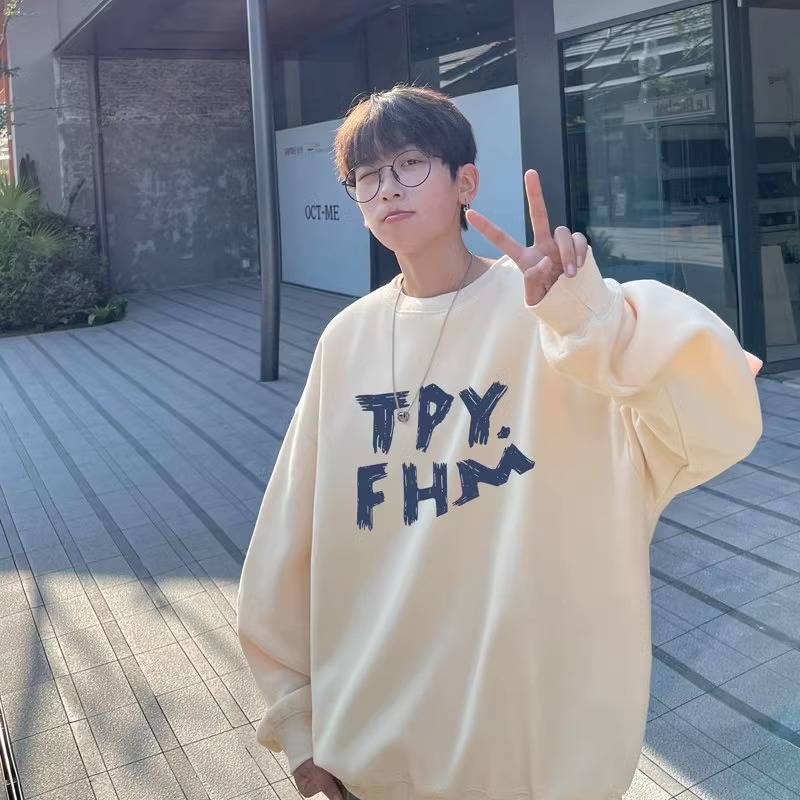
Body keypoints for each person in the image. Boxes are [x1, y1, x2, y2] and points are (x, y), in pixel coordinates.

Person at [237, 85, 762, 800]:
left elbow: (714, 422)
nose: (387, 187)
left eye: (410, 163)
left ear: (466, 182)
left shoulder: (549, 313)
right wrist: (297, 725)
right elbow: (287, 544)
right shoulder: (346, 339)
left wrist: (590, 321)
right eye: (367, 176)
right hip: (369, 757)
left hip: (531, 762)